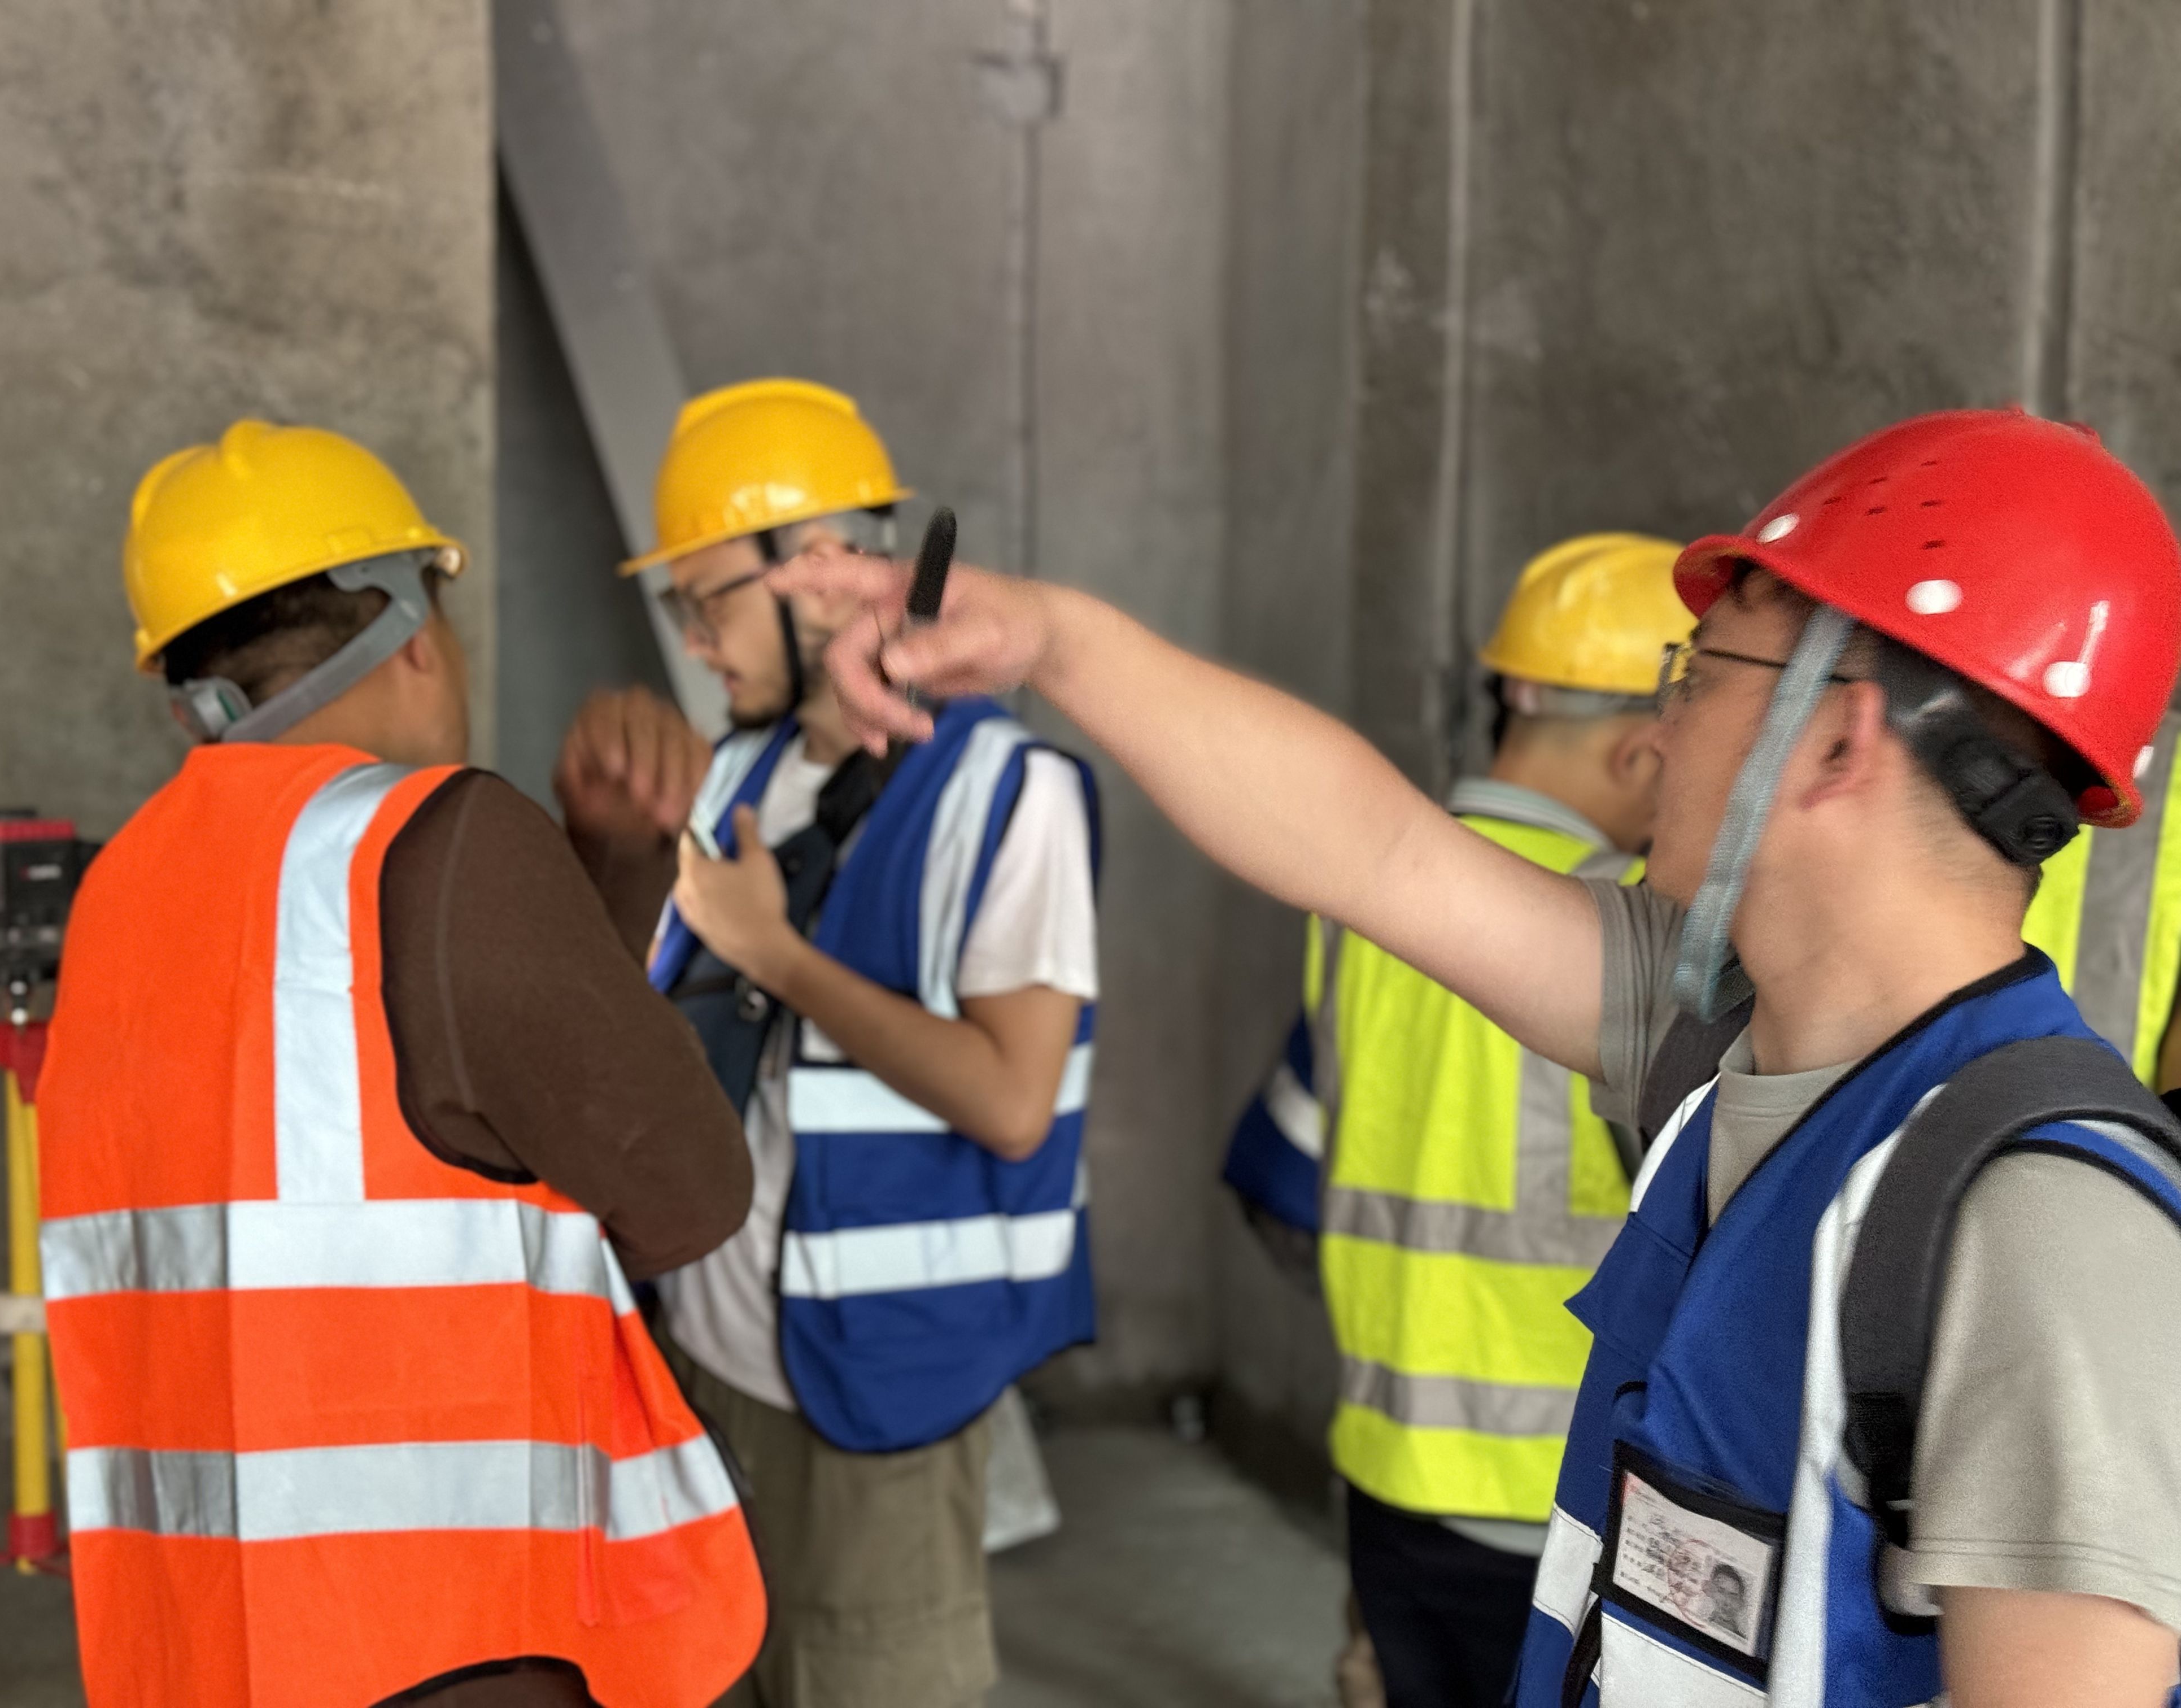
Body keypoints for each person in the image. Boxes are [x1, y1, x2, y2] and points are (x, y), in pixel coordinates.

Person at [782, 407, 2181, 1706]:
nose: (1659, 730)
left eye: (1697, 675)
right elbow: (1377, 852)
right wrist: (1051, 640)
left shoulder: (2042, 1224)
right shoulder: (1722, 1044)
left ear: (1837, 740)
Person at [37, 421, 766, 1708]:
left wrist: (604, 873)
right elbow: (685, 1195)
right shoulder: (440, 840)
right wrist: (595, 869)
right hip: (449, 1641)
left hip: (201, 1652)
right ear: (417, 631)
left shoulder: (117, 893)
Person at [553, 378, 1101, 1708]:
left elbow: (1014, 1102)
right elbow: (663, 1019)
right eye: (681, 611)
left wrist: (780, 956)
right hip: (712, 1358)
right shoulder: (742, 771)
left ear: (816, 572)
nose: (696, 644)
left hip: (881, 1383)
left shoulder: (1005, 791)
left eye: (709, 602)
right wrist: (615, 851)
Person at [1223, 535, 1695, 1708]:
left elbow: (1287, 1169)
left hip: (1383, 1462)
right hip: (1550, 1496)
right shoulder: (1624, 933)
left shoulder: (1364, 908)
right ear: (1643, 750)